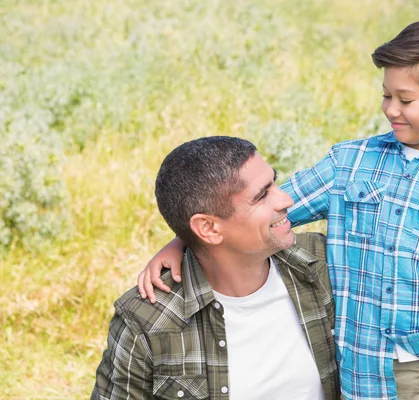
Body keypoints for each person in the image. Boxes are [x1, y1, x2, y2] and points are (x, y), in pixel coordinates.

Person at [139, 19, 419, 400]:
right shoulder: (349, 163)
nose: (391, 109)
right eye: (386, 95)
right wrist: (182, 240)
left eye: (406, 100)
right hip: (358, 367)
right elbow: (260, 212)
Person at [92, 137, 340, 399]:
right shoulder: (147, 322)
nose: (286, 200)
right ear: (208, 229)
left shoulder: (324, 263)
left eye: (274, 183)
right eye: (262, 195)